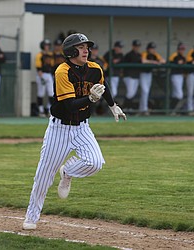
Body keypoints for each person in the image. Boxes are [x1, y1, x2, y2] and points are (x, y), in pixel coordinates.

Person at [23, 33, 126, 230]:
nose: (86, 50)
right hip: (59, 129)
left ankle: (67, 171)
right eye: (81, 46)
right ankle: (32, 216)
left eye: (87, 46)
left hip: (82, 127)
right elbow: (69, 106)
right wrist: (90, 99)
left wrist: (113, 105)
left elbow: (103, 85)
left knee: (95, 162)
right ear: (70, 51)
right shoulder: (62, 71)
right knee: (44, 176)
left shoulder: (95, 68)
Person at [140, 42, 165, 115]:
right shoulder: (145, 53)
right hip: (143, 74)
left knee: (146, 92)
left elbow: (163, 60)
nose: (152, 50)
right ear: (148, 49)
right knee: (145, 91)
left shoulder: (155, 54)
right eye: (151, 48)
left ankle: (143, 108)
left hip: (149, 74)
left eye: (153, 48)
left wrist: (158, 61)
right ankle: (144, 109)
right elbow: (143, 61)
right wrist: (153, 62)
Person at [35, 39, 54, 117]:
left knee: (51, 92)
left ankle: (49, 109)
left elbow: (52, 65)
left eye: (48, 45)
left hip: (49, 74)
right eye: (45, 45)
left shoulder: (50, 54)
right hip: (41, 74)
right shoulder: (39, 55)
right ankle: (41, 110)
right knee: (41, 92)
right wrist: (40, 75)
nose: (47, 47)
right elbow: (38, 66)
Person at [123, 39, 142, 111]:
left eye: (138, 46)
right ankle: (125, 107)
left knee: (133, 93)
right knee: (130, 93)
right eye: (135, 46)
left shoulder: (139, 55)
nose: (137, 47)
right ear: (133, 46)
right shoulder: (129, 55)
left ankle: (129, 108)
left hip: (136, 76)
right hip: (129, 76)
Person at [169, 42, 186, 115]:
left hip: (181, 76)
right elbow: (169, 62)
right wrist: (177, 62)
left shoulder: (183, 57)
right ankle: (171, 109)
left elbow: (185, 64)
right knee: (179, 95)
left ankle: (172, 111)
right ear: (178, 49)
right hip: (174, 75)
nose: (182, 50)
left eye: (183, 49)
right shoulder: (174, 55)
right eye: (180, 49)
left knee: (175, 94)